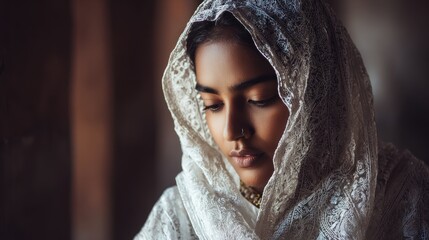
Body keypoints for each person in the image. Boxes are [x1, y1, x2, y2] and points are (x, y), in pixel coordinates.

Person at [135, 0, 429, 239]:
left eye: (259, 99)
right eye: (212, 105)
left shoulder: (405, 200)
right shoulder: (181, 217)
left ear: (317, 93)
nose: (232, 130)